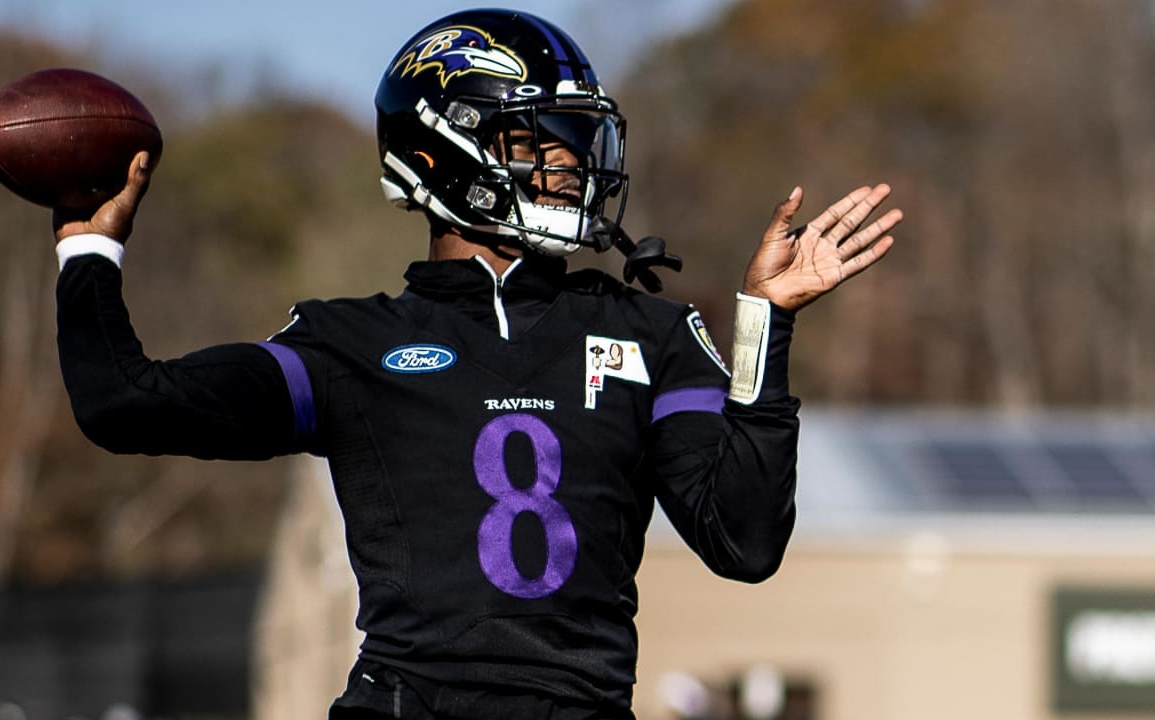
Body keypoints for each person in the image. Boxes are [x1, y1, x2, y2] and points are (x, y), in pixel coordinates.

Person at [50, 8, 901, 719]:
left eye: (576, 146)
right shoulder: (351, 346)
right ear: (444, 152)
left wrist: (765, 325)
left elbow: (744, 541)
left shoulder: (653, 333)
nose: (571, 170)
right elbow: (124, 402)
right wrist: (90, 248)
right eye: (542, 144)